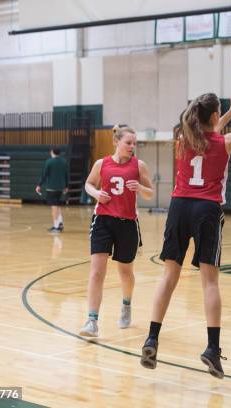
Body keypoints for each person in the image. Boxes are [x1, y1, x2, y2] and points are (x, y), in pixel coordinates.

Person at [140, 73, 231, 378]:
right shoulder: (224, 142)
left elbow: (208, 134)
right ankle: (212, 349)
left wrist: (224, 115)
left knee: (169, 274)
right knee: (210, 282)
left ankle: (152, 337)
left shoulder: (184, 140)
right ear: (215, 116)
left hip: (179, 207)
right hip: (207, 208)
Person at [79, 125, 154, 337]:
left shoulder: (139, 166)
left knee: (125, 272)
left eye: (134, 143)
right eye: (128, 143)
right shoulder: (101, 163)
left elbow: (149, 193)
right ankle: (92, 321)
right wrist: (96, 193)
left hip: (128, 223)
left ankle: (126, 304)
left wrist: (139, 188)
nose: (132, 147)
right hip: (102, 220)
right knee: (96, 272)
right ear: (116, 142)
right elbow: (88, 184)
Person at [36, 147, 69, 233]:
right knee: (57, 205)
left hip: (52, 188)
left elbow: (44, 175)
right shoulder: (64, 162)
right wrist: (66, 186)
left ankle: (56, 226)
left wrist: (39, 185)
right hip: (61, 188)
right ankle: (60, 223)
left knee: (54, 206)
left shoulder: (49, 162)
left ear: (52, 152)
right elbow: (66, 175)